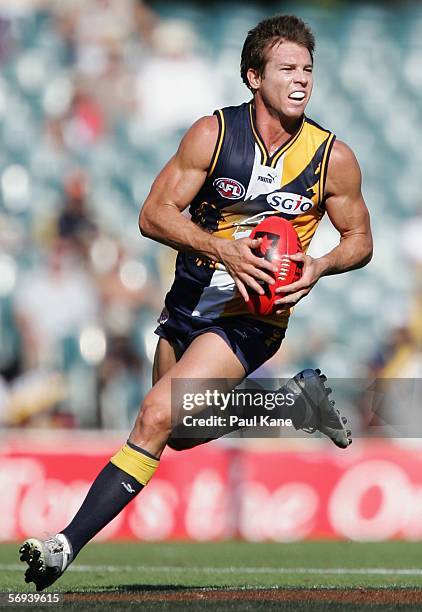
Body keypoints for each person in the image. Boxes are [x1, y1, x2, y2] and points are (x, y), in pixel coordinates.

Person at [20, 14, 372, 590]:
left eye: (308, 68)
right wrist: (223, 250)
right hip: (187, 306)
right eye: (287, 68)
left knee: (156, 413)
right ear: (253, 77)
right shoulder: (212, 136)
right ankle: (292, 406)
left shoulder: (333, 157)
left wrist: (321, 262)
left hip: (250, 319)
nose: (302, 78)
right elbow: (152, 214)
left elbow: (360, 239)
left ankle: (63, 545)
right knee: (178, 434)